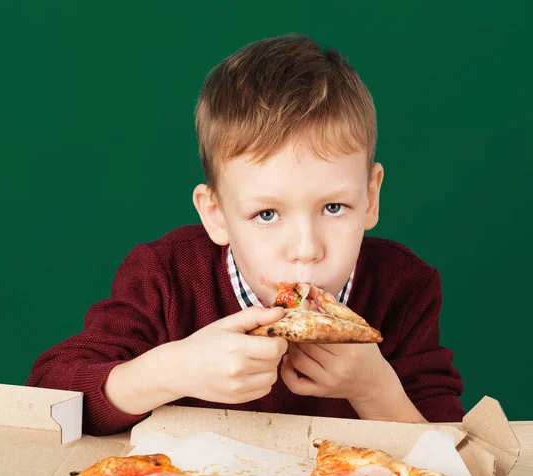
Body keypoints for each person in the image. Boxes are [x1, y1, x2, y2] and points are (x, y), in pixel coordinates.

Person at [26, 34, 465, 435]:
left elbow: (452, 451)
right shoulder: (167, 277)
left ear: (370, 198)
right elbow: (47, 395)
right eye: (267, 214)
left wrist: (372, 388)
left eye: (334, 207)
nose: (306, 250)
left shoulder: (404, 287)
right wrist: (168, 371)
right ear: (215, 214)